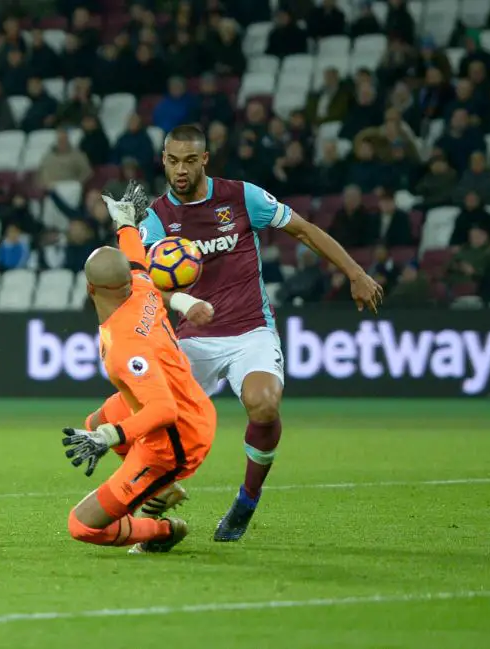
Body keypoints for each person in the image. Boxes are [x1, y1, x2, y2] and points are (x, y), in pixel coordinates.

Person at [138, 124, 383, 542]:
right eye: (173, 161)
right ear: (163, 160)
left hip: (251, 330)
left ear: (204, 159)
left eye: (190, 161)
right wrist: (180, 303)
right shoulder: (156, 218)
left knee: (264, 405)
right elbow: (147, 280)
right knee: (154, 418)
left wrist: (355, 273)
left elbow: (304, 230)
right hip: (193, 336)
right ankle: (155, 506)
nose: (181, 170)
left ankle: (247, 499)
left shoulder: (241, 197)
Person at [59, 182, 216, 554]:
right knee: (96, 420)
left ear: (90, 289)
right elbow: (134, 255)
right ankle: (164, 489)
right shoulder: (143, 286)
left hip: (178, 438)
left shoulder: (125, 346)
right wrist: (125, 222)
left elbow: (163, 410)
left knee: (82, 526)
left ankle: (162, 531)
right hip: (188, 400)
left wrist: (112, 436)